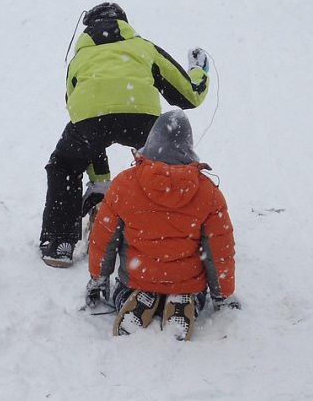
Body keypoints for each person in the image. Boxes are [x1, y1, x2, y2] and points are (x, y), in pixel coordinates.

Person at [39, 2, 210, 267]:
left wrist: (99, 180)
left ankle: (60, 242)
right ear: (124, 23)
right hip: (141, 117)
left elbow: (79, 111)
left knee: (66, 164)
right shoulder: (143, 47)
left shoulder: (78, 60)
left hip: (90, 120)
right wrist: (200, 70)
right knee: (165, 168)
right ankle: (179, 235)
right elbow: (190, 96)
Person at [85, 110, 238, 341]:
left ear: (151, 140)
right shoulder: (208, 192)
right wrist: (222, 295)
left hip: (136, 278)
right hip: (188, 283)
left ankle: (135, 298)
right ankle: (180, 301)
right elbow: (219, 251)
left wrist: (98, 278)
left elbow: (104, 239)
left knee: (126, 291)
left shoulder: (125, 184)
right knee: (191, 293)